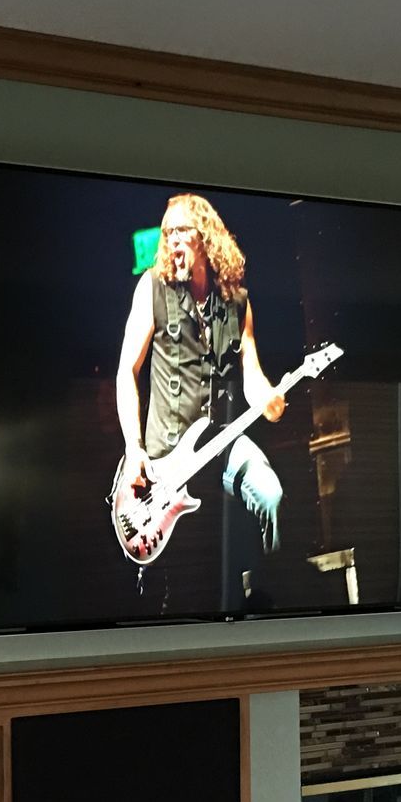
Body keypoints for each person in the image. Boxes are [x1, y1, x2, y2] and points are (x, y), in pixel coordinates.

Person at [115, 193, 288, 576]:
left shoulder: (237, 302)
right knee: (175, 571)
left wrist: (270, 401)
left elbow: (252, 374)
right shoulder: (153, 288)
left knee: (271, 493)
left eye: (181, 231)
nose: (172, 240)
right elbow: (127, 370)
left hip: (221, 439)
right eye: (167, 233)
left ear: (205, 236)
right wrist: (134, 449)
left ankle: (273, 589)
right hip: (166, 455)